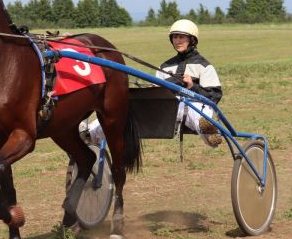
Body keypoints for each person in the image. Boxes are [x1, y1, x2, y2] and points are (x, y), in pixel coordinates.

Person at [83, 19, 223, 147]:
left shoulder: (204, 66)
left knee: (195, 109)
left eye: (181, 37)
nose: (177, 41)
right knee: (123, 109)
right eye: (175, 37)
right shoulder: (165, 66)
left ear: (192, 40)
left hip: (191, 107)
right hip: (165, 110)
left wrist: (193, 86)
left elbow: (214, 96)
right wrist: (154, 89)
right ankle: (91, 133)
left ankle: (209, 132)